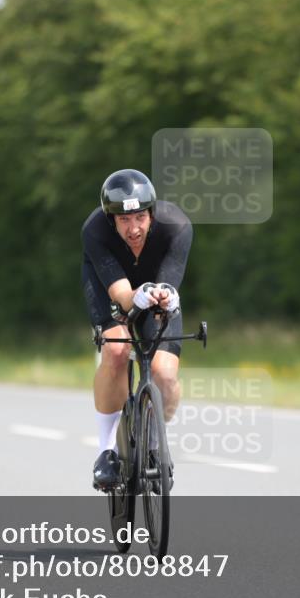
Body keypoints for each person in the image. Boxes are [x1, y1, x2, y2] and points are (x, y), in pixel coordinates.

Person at [82, 169, 192, 489]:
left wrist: (163, 296)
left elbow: (169, 284)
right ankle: (106, 451)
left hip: (156, 290)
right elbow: (121, 296)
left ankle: (156, 443)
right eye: (124, 220)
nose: (134, 228)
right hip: (112, 290)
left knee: (165, 374)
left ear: (152, 212)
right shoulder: (95, 230)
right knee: (116, 350)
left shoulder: (177, 227)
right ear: (110, 219)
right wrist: (137, 296)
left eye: (140, 217)